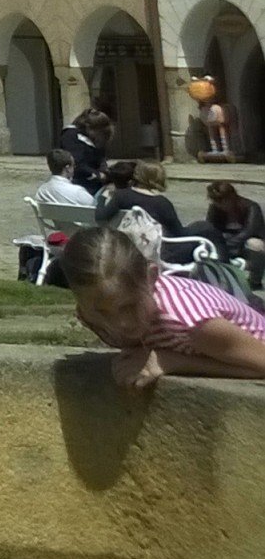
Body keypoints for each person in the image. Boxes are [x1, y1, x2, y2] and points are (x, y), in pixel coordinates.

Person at [67, 222, 265, 390]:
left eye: (129, 306)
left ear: (152, 277)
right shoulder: (89, 316)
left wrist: (173, 361)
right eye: (102, 313)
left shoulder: (189, 321)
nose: (122, 324)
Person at [192, 181, 265, 289]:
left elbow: (249, 231)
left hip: (244, 242)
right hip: (224, 240)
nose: (218, 203)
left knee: (256, 244)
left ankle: (255, 281)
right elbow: (210, 228)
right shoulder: (215, 208)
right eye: (215, 200)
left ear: (231, 197)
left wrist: (229, 245)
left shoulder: (251, 207)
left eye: (221, 200)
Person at [100, 161, 187, 237]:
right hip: (159, 248)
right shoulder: (162, 203)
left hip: (128, 244)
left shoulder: (122, 195)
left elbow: (101, 217)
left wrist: (102, 197)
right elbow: (178, 232)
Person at [57, 109, 112, 191]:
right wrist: (98, 175)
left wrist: (105, 171)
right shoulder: (70, 136)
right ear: (88, 127)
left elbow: (100, 158)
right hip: (78, 184)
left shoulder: (91, 138)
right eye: (100, 132)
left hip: (94, 182)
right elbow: (77, 163)